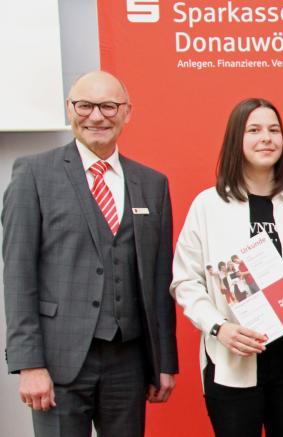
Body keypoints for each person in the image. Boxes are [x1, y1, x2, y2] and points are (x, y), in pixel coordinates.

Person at [2, 70, 177, 436]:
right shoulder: (34, 174)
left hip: (128, 363)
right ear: (70, 109)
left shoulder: (152, 184)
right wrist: (29, 364)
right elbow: (18, 274)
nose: (97, 116)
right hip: (58, 362)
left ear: (127, 112)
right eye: (85, 106)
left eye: (109, 106)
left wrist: (164, 361)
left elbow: (160, 280)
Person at [171, 98, 283, 437]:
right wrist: (219, 327)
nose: (266, 138)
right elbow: (185, 282)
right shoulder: (208, 206)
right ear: (236, 140)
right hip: (231, 363)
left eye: (274, 130)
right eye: (254, 130)